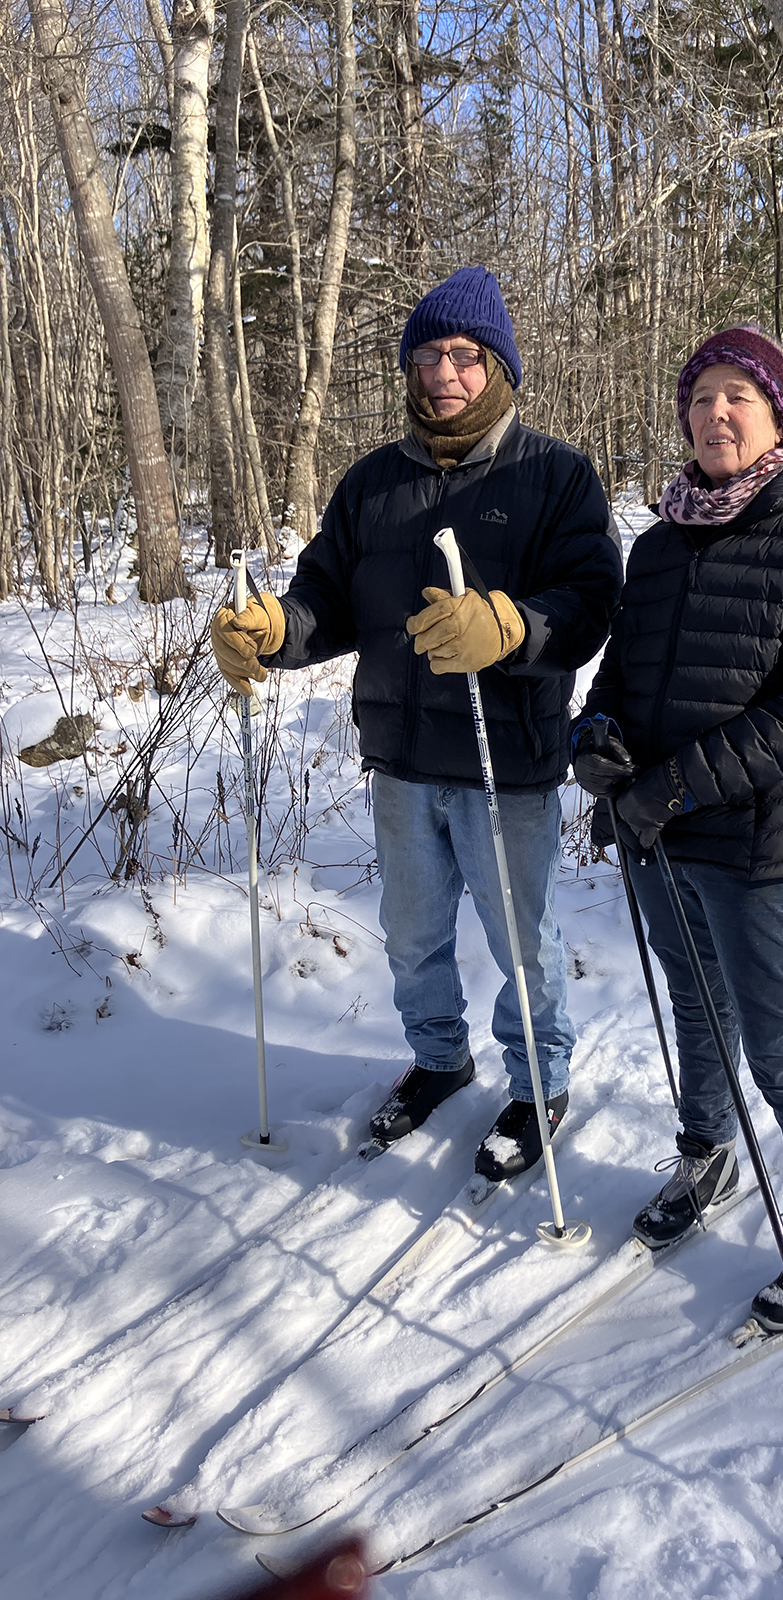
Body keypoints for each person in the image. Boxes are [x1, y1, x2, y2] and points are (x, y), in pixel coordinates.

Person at [212, 266, 622, 1182]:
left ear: (499, 368)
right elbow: (328, 596)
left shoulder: (556, 475)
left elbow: (592, 599)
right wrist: (277, 628)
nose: (445, 372)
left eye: (466, 356)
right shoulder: (371, 485)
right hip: (401, 759)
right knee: (411, 933)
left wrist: (511, 624)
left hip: (505, 762)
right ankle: (440, 1059)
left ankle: (540, 1084)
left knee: (525, 943)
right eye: (428, 354)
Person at [572, 325, 783, 1329]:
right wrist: (598, 744)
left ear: (779, 416)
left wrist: (673, 787)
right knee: (695, 1007)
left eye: (738, 396)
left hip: (758, 839)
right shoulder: (660, 543)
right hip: (659, 826)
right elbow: (620, 678)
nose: (716, 414)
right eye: (701, 397)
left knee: (781, 1040)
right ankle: (707, 1157)